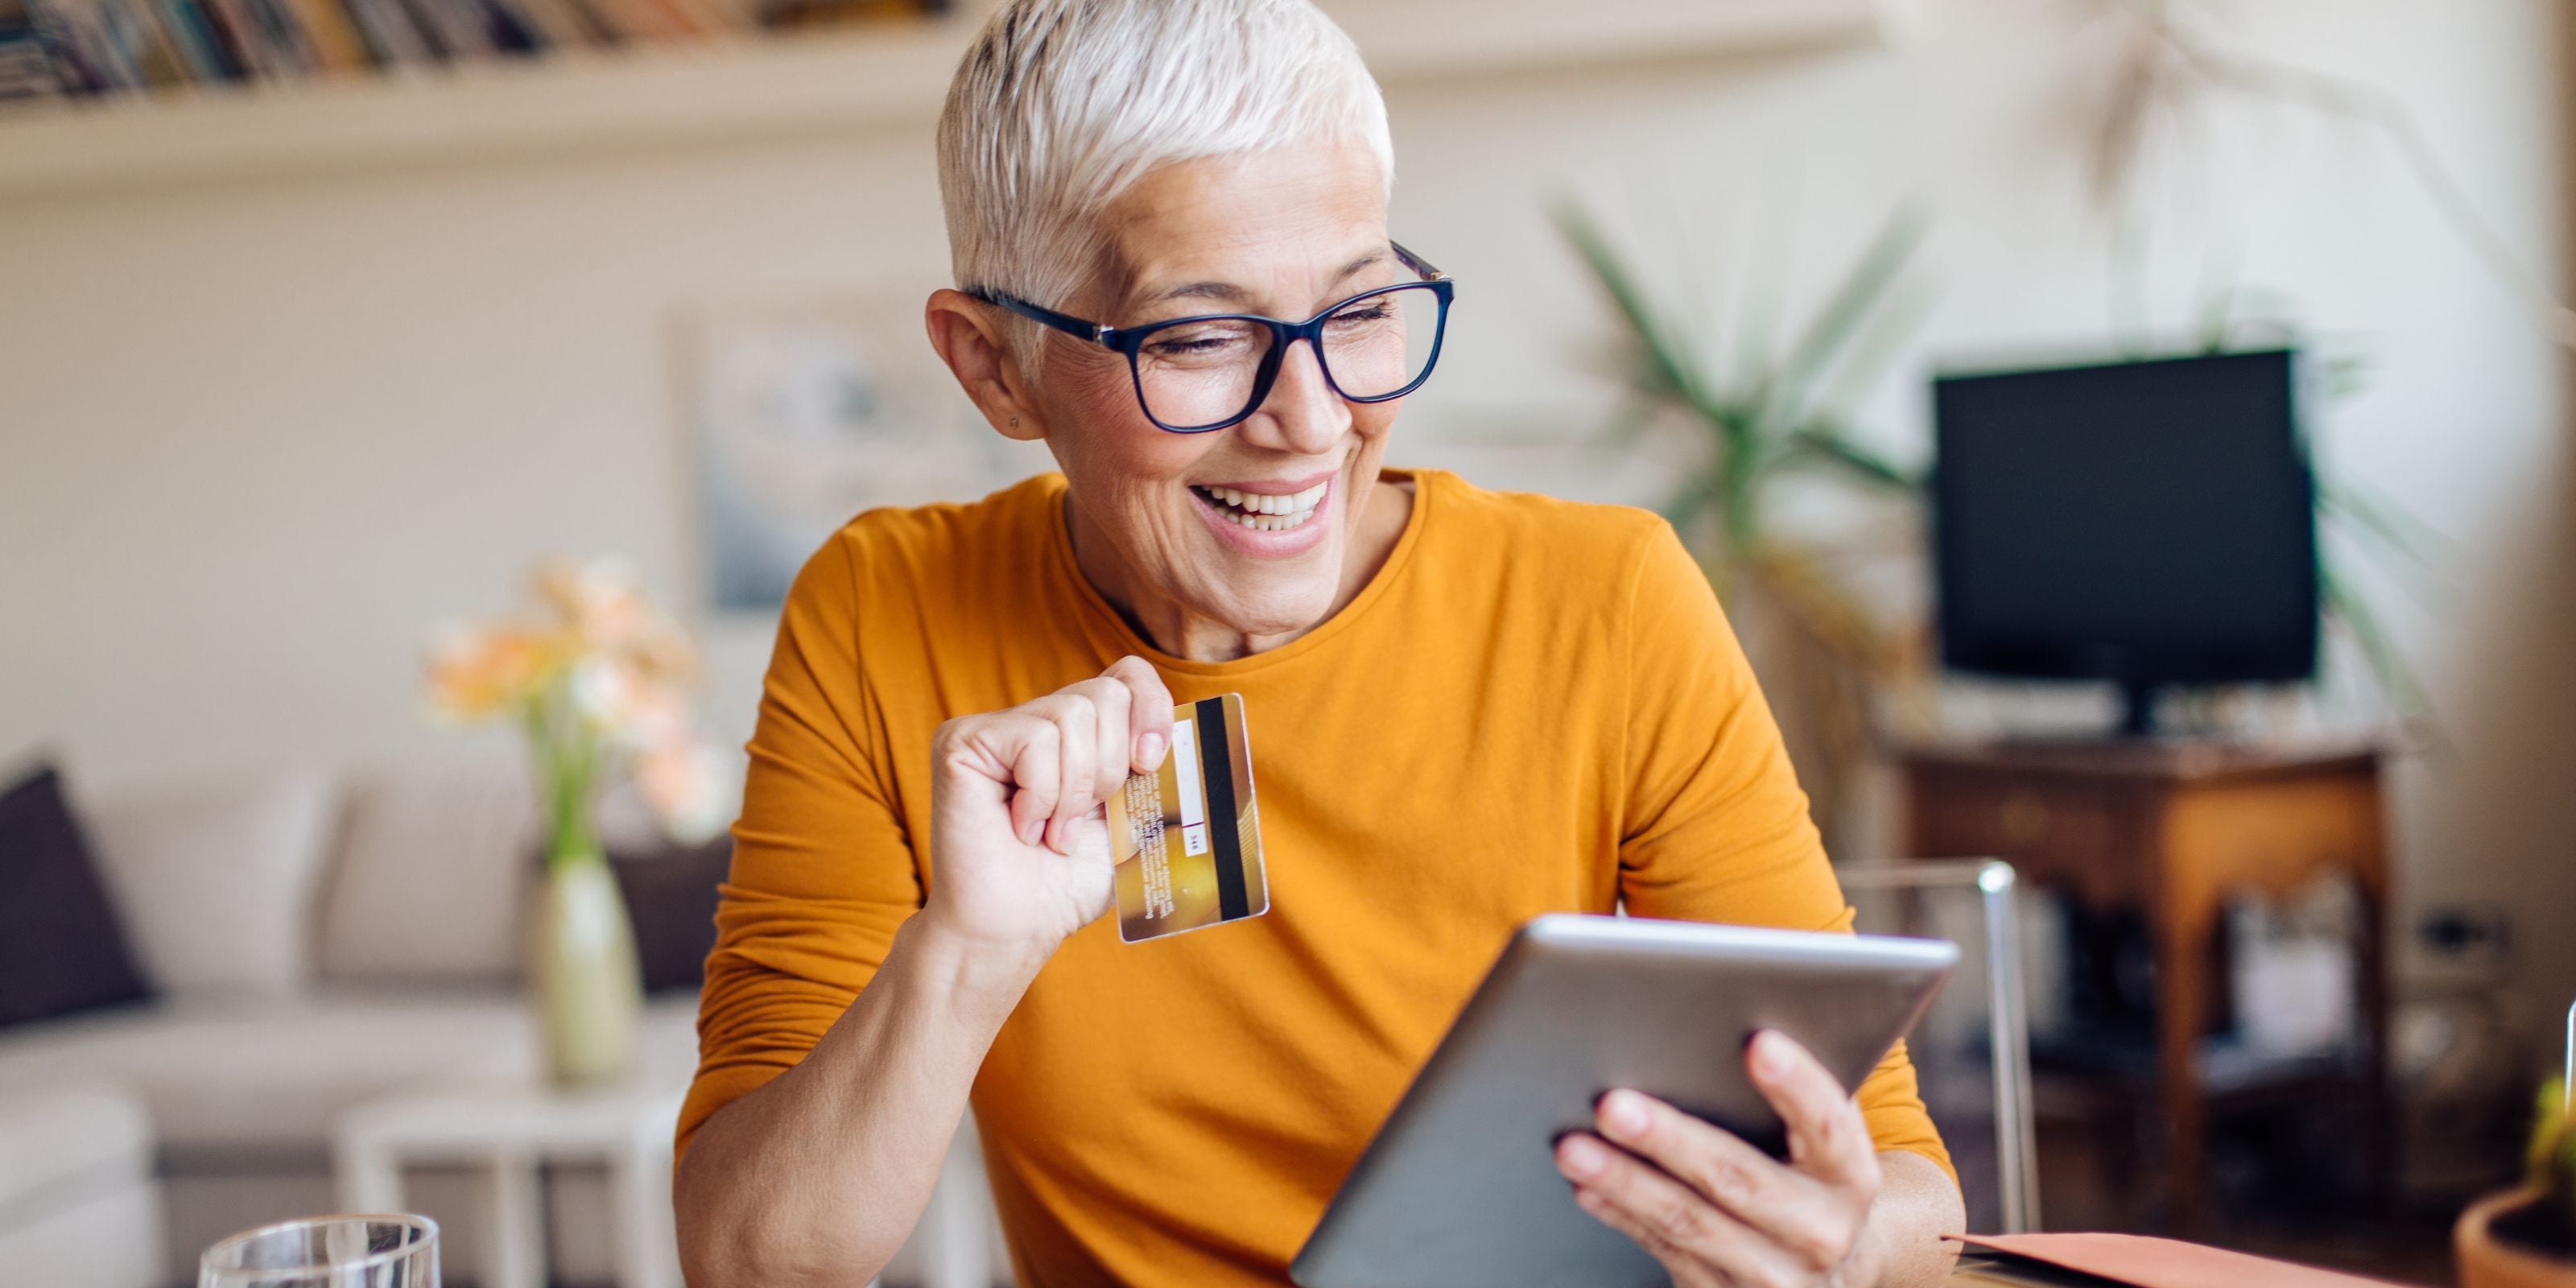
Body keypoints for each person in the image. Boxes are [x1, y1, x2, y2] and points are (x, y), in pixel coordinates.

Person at [671, 1, 1966, 1284]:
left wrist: (1836, 1246)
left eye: (1357, 313)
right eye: (1197, 336)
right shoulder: (887, 609)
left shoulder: (1607, 601)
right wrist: (965, 956)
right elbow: (749, 1261)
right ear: (995, 369)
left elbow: (1908, 1189)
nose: (1310, 419)